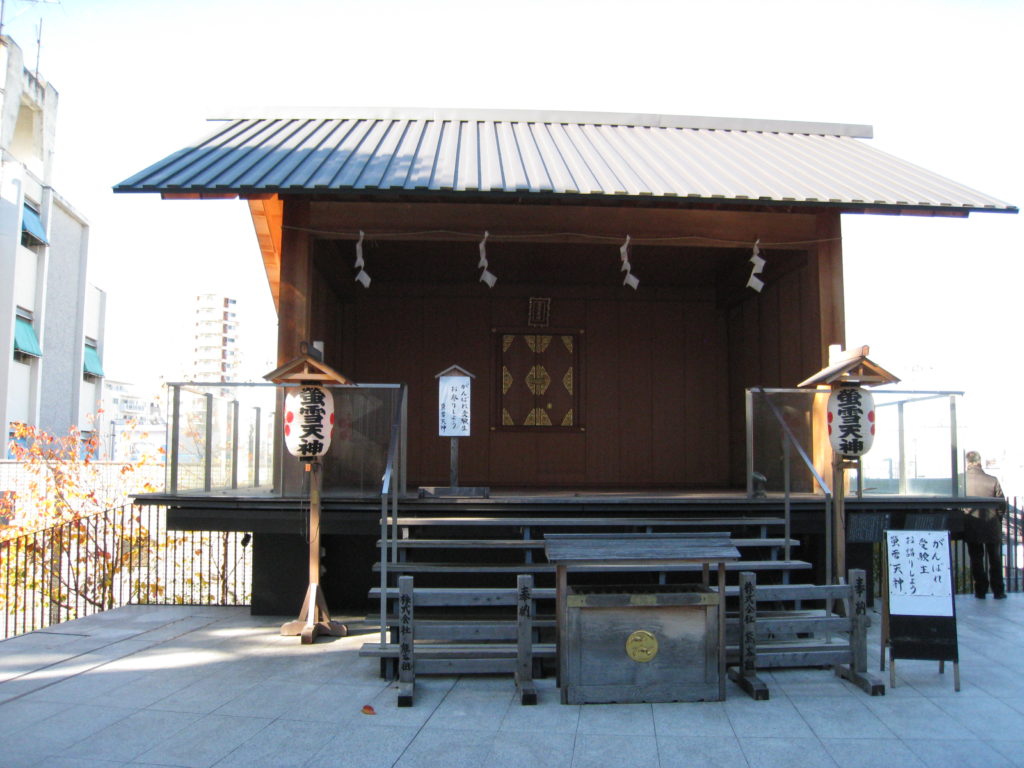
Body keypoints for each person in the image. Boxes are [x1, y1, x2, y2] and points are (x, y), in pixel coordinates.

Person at [964, 451, 1006, 599]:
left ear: (967, 462)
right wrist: (998, 518)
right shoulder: (992, 480)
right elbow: (1002, 503)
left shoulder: (961, 481)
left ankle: (980, 590)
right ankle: (998, 590)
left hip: (971, 524)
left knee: (976, 558)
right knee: (994, 558)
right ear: (979, 461)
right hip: (991, 524)